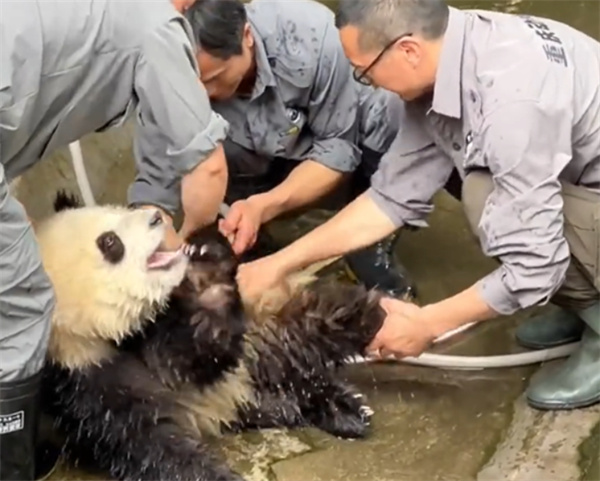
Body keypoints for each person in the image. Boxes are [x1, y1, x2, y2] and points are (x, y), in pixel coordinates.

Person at [237, 0, 600, 411]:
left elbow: (536, 266)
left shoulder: (510, 102)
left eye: (365, 71)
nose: (367, 83)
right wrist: (280, 263)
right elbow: (391, 198)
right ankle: (580, 306)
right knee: (493, 193)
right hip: (585, 193)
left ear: (407, 50)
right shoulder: (455, 58)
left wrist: (427, 324)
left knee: (488, 197)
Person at [0, 0, 230, 479]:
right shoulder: (156, 25)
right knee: (23, 301)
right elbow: (207, 165)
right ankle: (10, 466)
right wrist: (186, 241)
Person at [182, 0, 425, 299]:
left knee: (388, 117)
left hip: (341, 138)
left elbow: (338, 147)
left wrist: (267, 204)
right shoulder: (166, 65)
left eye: (215, 78)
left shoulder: (311, 36)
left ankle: (368, 246)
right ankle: (254, 244)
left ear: (246, 36)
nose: (206, 94)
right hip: (257, 158)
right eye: (197, 85)